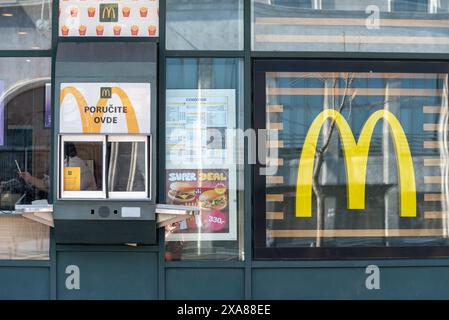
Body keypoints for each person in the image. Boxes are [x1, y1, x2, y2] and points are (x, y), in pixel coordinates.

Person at [19, 142, 97, 192]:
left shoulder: (73, 165)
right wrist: (29, 178)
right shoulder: (70, 162)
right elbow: (48, 185)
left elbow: (51, 187)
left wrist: (30, 179)